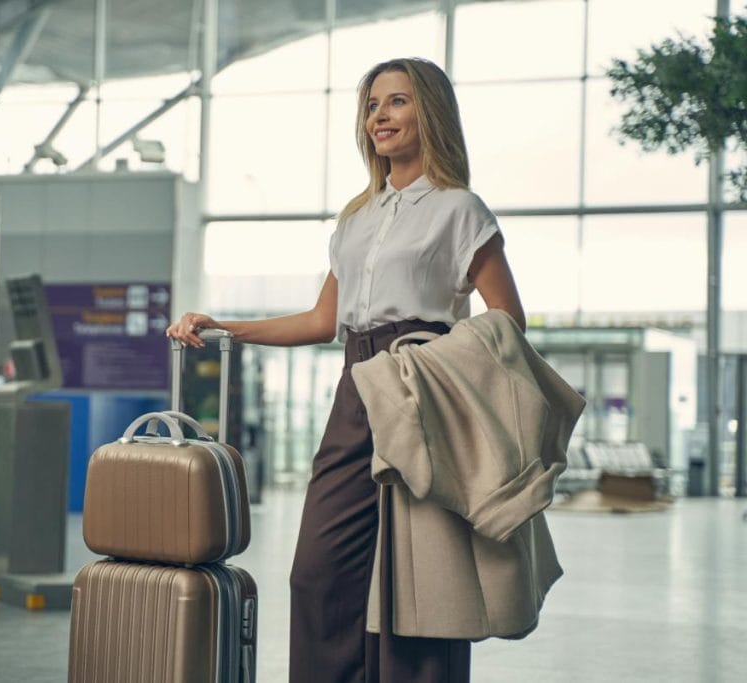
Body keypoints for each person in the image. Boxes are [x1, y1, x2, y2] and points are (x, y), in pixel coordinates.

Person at [166, 57, 525, 683]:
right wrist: (226, 326)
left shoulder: (459, 209)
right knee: (318, 571)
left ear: (430, 113)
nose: (380, 116)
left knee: (420, 581)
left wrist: (437, 368)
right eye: (372, 105)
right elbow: (320, 320)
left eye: (397, 101)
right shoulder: (356, 219)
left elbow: (507, 320)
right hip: (356, 391)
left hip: (425, 392)